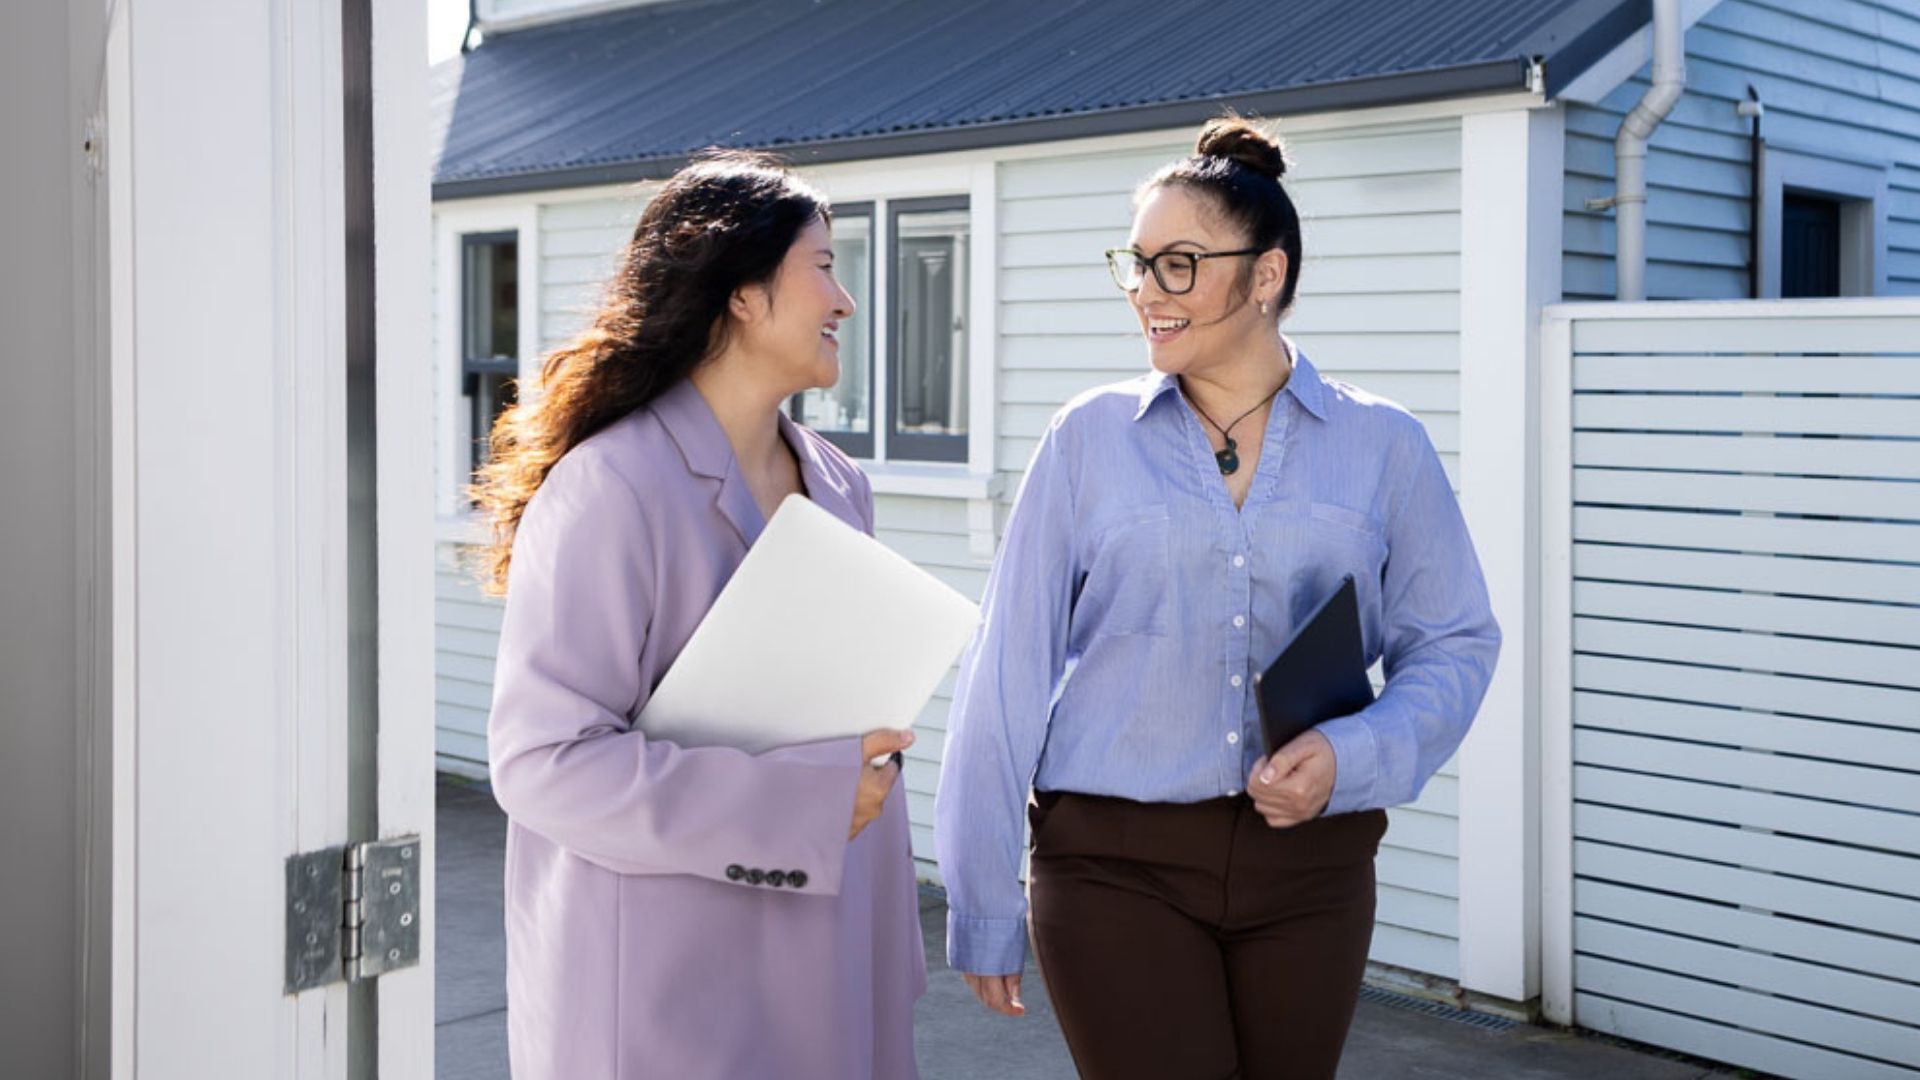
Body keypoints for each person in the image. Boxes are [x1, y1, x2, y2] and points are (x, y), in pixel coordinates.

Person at [935, 116, 1501, 1080]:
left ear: (1266, 274)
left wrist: (1352, 754)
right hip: (1114, 864)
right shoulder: (1087, 440)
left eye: (1180, 265)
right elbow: (1007, 673)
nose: (1147, 294)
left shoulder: (1385, 445)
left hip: (1312, 871)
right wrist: (982, 898)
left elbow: (1453, 642)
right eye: (1139, 264)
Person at [473, 151, 924, 1080]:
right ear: (744, 294)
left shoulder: (842, 487)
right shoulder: (608, 489)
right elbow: (543, 764)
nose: (844, 301)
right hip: (661, 990)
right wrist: (804, 802)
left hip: (826, 966)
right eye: (825, 265)